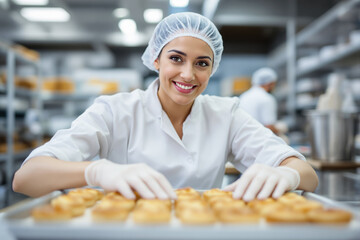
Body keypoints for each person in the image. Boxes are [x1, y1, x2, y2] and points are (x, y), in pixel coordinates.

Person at [12, 12, 318, 202]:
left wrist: (286, 176)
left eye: (202, 63)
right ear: (156, 60)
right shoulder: (115, 110)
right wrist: (97, 171)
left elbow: (307, 174)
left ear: (213, 69)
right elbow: (26, 178)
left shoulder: (226, 115)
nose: (188, 74)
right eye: (176, 58)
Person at [239, 67, 280, 135]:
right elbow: (269, 126)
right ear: (270, 83)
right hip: (258, 140)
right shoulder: (266, 98)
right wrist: (280, 132)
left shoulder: (244, 96)